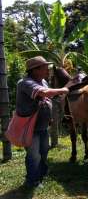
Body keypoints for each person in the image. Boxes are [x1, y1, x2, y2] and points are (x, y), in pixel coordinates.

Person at [16, 56, 69, 188]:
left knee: (44, 151)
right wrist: (64, 89)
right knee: (34, 155)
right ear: (35, 70)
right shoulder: (25, 83)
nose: (48, 70)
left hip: (43, 125)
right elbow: (44, 93)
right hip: (30, 127)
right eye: (45, 68)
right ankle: (32, 181)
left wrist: (49, 117)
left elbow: (47, 99)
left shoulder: (43, 81)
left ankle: (42, 173)